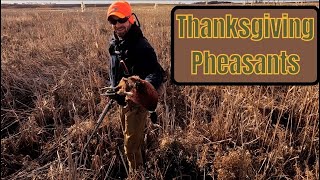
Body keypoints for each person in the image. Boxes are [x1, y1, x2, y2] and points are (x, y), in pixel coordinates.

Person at [106, 0, 165, 173]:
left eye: (121, 19)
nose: (118, 25)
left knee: (130, 146)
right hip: (122, 98)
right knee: (128, 135)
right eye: (113, 21)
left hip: (137, 101)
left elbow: (156, 73)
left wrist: (143, 87)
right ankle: (141, 158)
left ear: (130, 19)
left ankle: (137, 174)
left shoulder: (141, 45)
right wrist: (113, 87)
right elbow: (115, 70)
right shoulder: (115, 43)